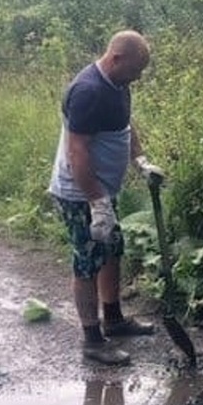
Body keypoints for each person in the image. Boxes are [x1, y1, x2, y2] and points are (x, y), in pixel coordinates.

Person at [48, 30, 165, 366]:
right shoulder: (87, 91)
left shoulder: (117, 84)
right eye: (135, 71)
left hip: (102, 189)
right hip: (79, 193)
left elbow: (126, 126)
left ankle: (114, 319)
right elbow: (77, 153)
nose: (138, 78)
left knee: (112, 249)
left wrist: (140, 161)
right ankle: (92, 339)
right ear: (116, 59)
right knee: (86, 259)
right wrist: (97, 203)